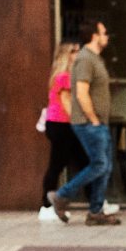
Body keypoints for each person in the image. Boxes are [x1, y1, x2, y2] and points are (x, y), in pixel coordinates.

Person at [47, 18, 123, 225]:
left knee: (103, 166)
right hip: (89, 124)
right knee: (99, 165)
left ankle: (95, 211)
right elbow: (81, 93)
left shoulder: (96, 59)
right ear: (94, 36)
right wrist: (93, 119)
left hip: (97, 123)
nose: (107, 37)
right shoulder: (85, 59)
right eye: (104, 33)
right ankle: (62, 195)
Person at [38, 41, 87, 222]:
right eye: (74, 51)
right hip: (62, 125)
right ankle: (47, 205)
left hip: (60, 125)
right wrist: (80, 123)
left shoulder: (65, 76)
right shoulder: (65, 77)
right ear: (67, 56)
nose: (78, 53)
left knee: (82, 163)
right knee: (59, 165)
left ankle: (95, 201)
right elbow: (67, 104)